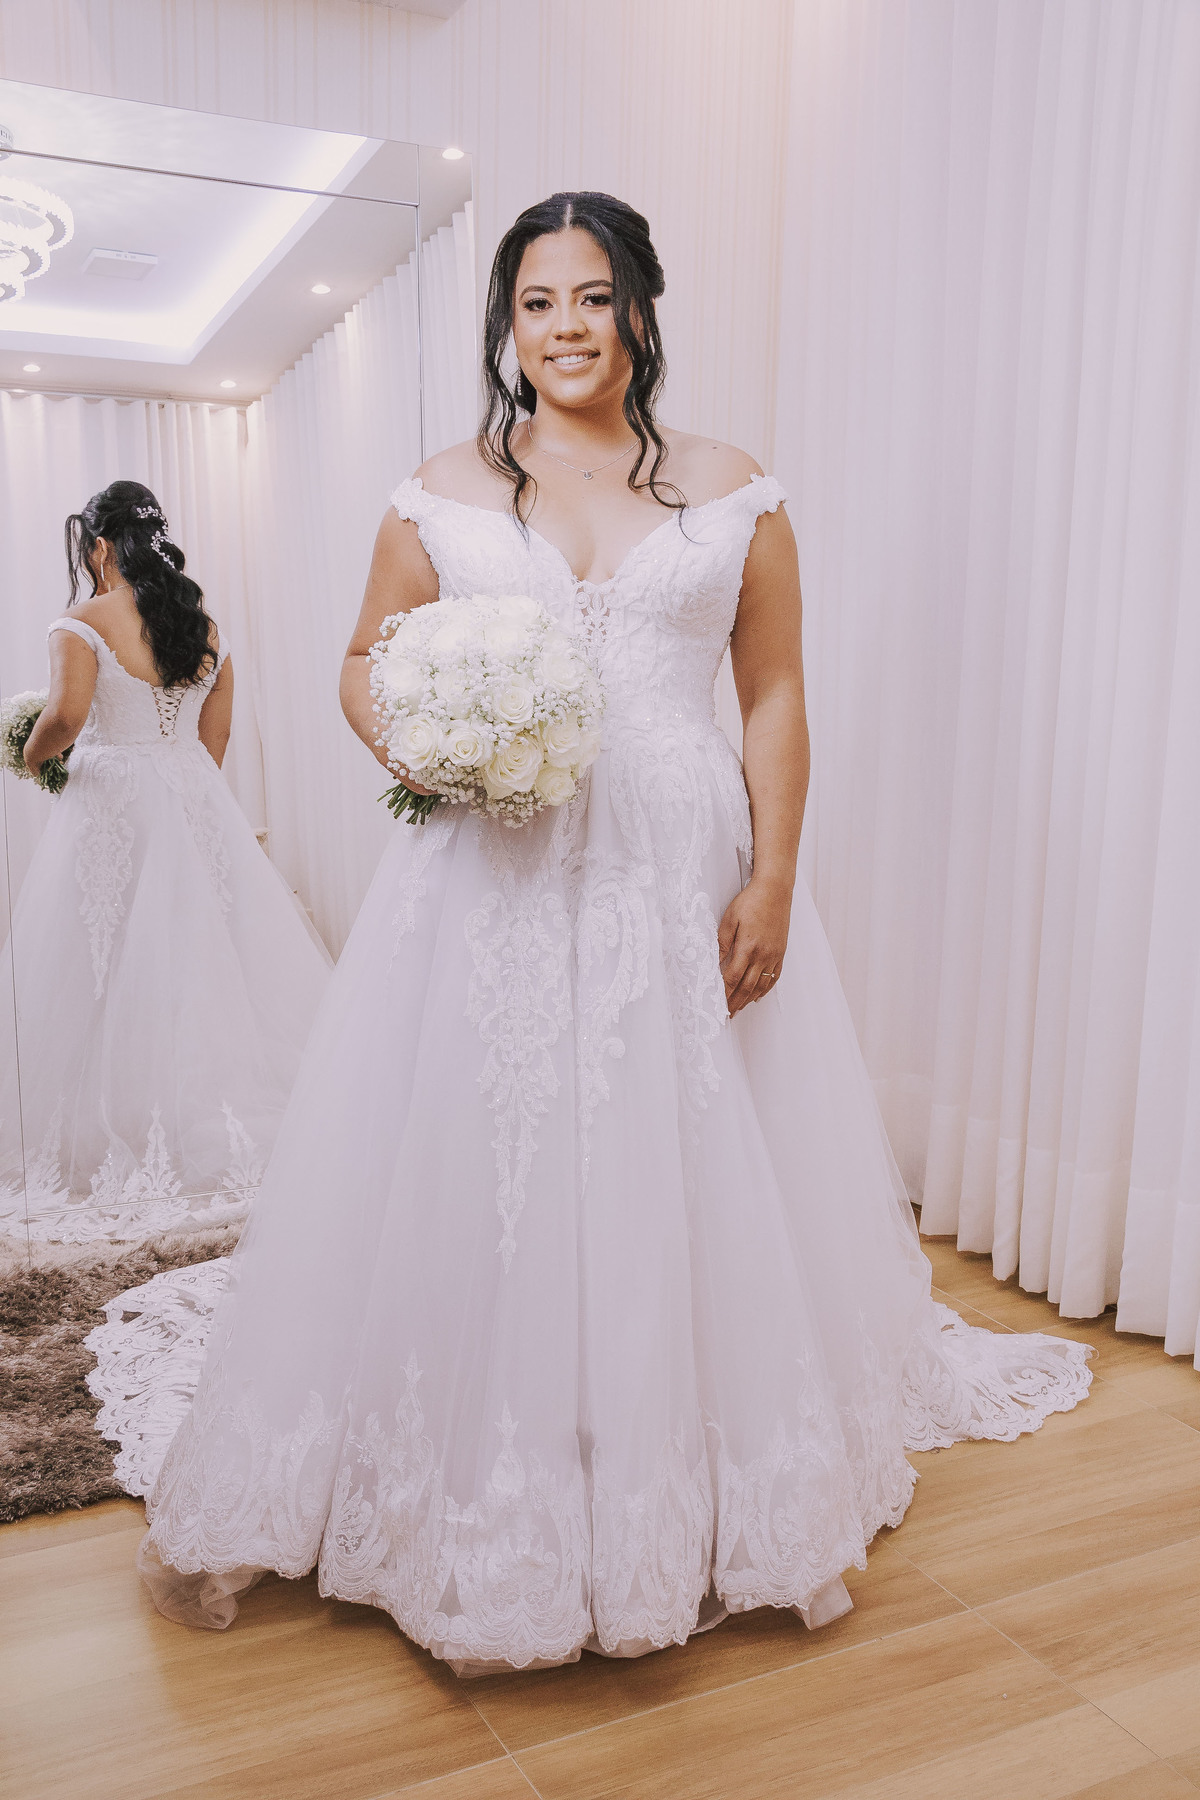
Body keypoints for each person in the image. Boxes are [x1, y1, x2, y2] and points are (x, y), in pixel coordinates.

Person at [92, 198, 1090, 1672]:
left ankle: (675, 1457)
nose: (566, 326)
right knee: (487, 1146)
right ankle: (475, 1464)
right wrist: (422, 747)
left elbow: (774, 693)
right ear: (508, 326)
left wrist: (774, 877)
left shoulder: (734, 489)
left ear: (640, 310)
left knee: (671, 1144)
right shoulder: (438, 492)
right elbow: (362, 663)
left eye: (594, 296)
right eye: (537, 302)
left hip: (675, 867)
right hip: (489, 872)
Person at [0, 481, 330, 1245]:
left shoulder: (81, 621)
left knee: (99, 958)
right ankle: (208, 1114)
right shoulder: (202, 625)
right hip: (192, 795)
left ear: (99, 545)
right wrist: (185, 793)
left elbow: (67, 717)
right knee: (199, 956)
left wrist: (31, 754)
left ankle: (111, 1129)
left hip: (112, 801)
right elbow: (215, 741)